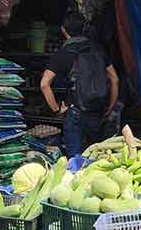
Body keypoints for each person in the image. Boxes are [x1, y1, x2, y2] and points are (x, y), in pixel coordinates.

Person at [40, 12, 119, 157]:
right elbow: (114, 79)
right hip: (98, 112)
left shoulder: (63, 53)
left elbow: (44, 84)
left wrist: (57, 109)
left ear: (63, 29)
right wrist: (110, 106)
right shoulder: (99, 50)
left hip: (74, 112)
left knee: (75, 162)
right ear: (84, 29)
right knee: (97, 159)